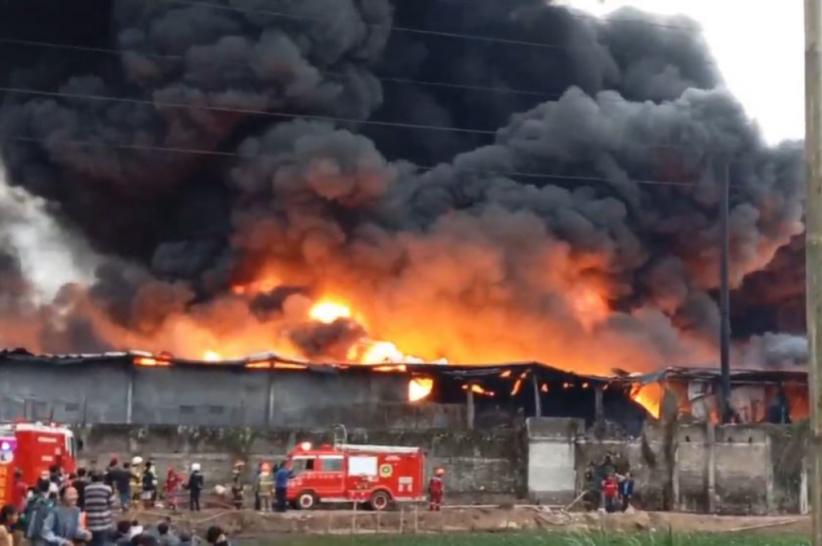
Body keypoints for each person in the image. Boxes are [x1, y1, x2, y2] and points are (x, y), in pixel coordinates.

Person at [84, 471, 114, 546]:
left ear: (92, 479)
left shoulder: (86, 489)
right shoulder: (107, 489)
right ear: (102, 479)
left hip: (89, 521)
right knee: (101, 542)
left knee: (90, 542)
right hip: (103, 521)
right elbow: (112, 503)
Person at [23, 479, 54, 545]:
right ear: (49, 489)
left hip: (29, 531)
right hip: (40, 534)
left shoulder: (32, 499)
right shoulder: (48, 503)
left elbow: (25, 511)